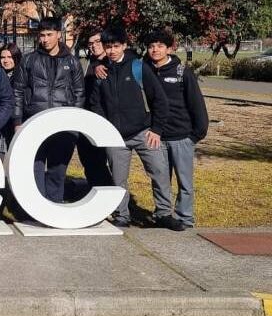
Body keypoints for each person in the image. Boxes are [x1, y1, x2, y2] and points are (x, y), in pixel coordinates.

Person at [88, 26, 184, 230]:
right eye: (108, 47)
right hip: (115, 137)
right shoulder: (101, 71)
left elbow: (160, 101)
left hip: (144, 133)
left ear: (124, 45)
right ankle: (122, 214)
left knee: (159, 173)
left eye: (116, 46)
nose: (112, 50)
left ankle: (164, 213)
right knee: (118, 179)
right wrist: (106, 128)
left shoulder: (138, 67)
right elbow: (95, 104)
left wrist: (156, 129)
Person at [12, 17, 84, 203]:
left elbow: (79, 93)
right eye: (42, 35)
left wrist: (74, 123)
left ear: (59, 35)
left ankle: (55, 205)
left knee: (57, 170)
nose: (45, 39)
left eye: (49, 35)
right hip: (34, 121)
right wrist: (18, 121)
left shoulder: (72, 61)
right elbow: (18, 91)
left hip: (63, 125)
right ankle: (36, 207)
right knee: (34, 167)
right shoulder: (28, 60)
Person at [145, 29, 209, 229]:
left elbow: (197, 104)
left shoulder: (182, 72)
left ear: (169, 49)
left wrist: (195, 135)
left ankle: (185, 217)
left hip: (182, 136)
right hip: (157, 136)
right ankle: (163, 214)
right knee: (160, 179)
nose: (155, 50)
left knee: (185, 182)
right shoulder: (144, 69)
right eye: (151, 46)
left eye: (160, 46)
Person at [75, 31, 113, 189]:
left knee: (104, 161)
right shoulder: (84, 63)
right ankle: (94, 190)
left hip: (106, 120)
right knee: (88, 160)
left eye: (97, 41)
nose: (94, 45)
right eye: (90, 43)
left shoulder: (112, 62)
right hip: (85, 120)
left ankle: (109, 194)